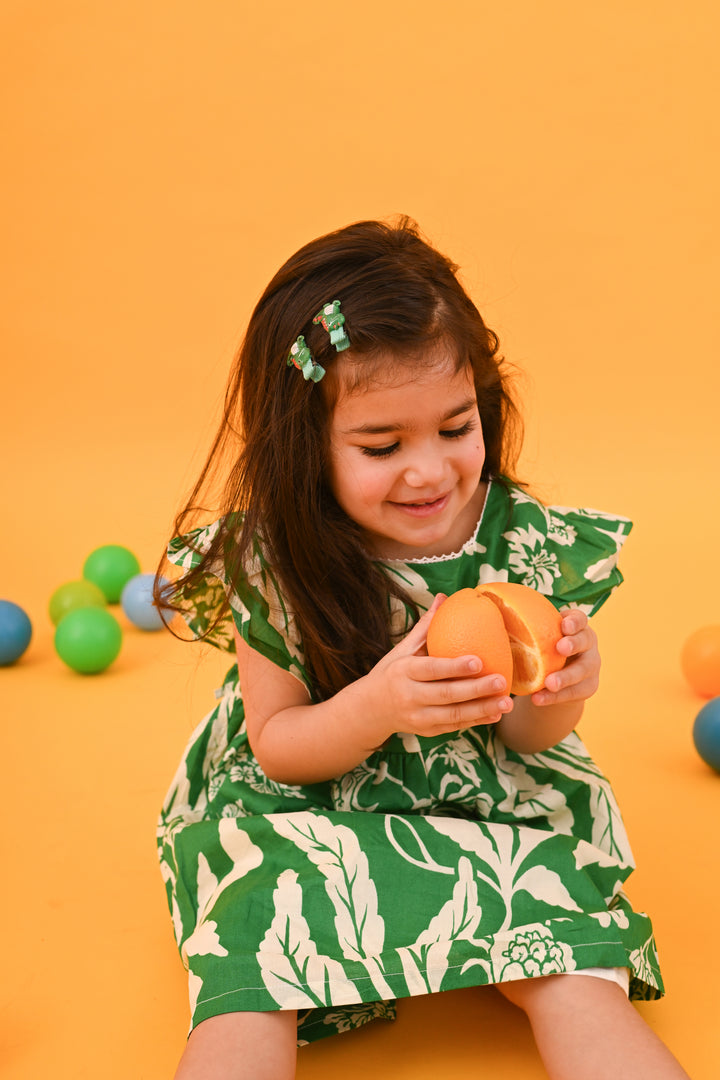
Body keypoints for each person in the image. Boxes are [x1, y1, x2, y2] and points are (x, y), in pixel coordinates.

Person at [156, 218, 689, 1079]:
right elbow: (279, 748)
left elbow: (525, 742)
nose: (430, 471)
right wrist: (375, 706)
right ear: (305, 447)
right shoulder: (278, 560)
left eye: (455, 427)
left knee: (570, 960)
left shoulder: (518, 544)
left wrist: (561, 692)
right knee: (256, 952)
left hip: (485, 809)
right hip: (314, 809)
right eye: (381, 445)